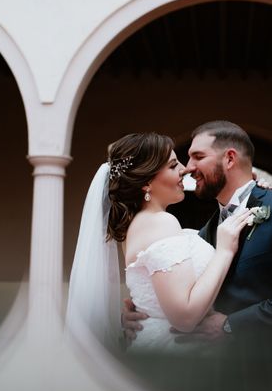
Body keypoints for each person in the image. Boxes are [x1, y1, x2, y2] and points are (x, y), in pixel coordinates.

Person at [124, 121, 272, 354]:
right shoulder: (204, 233)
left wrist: (231, 326)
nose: (188, 167)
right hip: (225, 375)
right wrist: (145, 313)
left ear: (230, 159)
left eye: (198, 157)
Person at [66, 132, 252, 352]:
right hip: (174, 356)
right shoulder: (160, 223)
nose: (184, 168)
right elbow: (185, 317)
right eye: (173, 166)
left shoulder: (140, 225)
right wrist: (224, 252)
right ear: (146, 183)